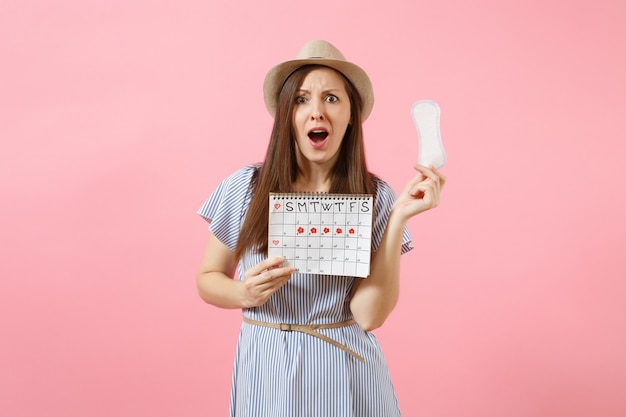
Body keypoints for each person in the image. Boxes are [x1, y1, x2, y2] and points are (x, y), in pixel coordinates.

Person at [196, 40, 446, 416]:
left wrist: (398, 218)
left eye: (331, 98)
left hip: (346, 373)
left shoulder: (376, 196)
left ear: (351, 115)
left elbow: (369, 315)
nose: (317, 112)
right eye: (301, 99)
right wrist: (244, 291)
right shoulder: (244, 187)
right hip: (267, 368)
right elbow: (207, 277)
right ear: (285, 115)